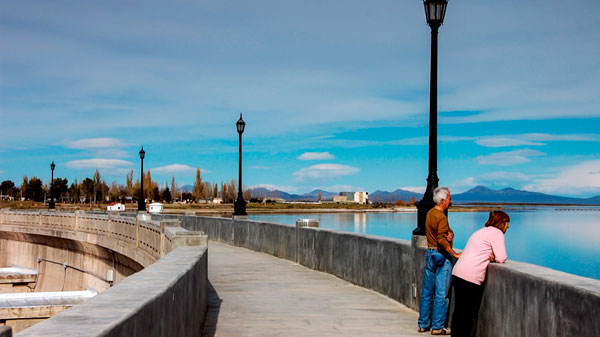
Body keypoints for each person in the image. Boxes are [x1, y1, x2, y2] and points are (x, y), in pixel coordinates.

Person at [450, 210, 510, 337]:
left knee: (459, 312)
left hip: (458, 272)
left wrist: (489, 256)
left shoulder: (481, 231)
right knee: (468, 315)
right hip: (470, 276)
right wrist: (492, 257)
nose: (508, 226)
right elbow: (501, 257)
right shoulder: (497, 233)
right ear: (501, 223)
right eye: (506, 223)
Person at [418, 187, 462, 335]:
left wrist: (450, 235)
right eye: (449, 198)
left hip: (430, 253)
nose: (451, 201)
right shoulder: (442, 216)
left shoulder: (430, 213)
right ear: (443, 200)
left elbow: (446, 233)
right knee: (442, 293)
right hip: (441, 255)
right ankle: (437, 326)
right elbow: (442, 239)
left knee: (427, 291)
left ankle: (423, 324)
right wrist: (453, 253)